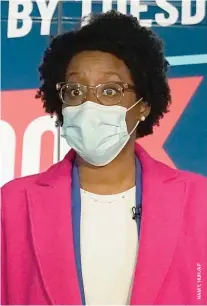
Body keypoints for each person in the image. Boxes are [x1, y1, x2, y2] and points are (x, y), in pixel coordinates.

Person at [1, 10, 207, 306]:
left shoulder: (199, 200)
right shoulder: (12, 203)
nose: (89, 104)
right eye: (74, 91)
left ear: (143, 106)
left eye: (110, 90)